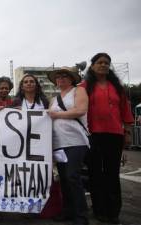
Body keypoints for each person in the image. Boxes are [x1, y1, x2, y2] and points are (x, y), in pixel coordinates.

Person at [79, 53, 134, 224]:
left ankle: (113, 212)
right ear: (92, 65)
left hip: (115, 135)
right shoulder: (84, 86)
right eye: (99, 62)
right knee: (95, 174)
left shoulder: (118, 87)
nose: (103, 65)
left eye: (106, 63)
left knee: (112, 174)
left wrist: (128, 133)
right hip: (92, 135)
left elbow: (126, 111)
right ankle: (99, 210)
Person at [47, 66, 89, 225]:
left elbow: (81, 110)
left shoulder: (79, 91)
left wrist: (56, 115)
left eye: (65, 75)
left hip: (75, 141)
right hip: (59, 143)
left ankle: (81, 216)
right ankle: (68, 211)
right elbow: (47, 115)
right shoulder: (54, 98)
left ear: (72, 78)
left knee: (72, 176)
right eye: (58, 76)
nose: (61, 78)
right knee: (64, 178)